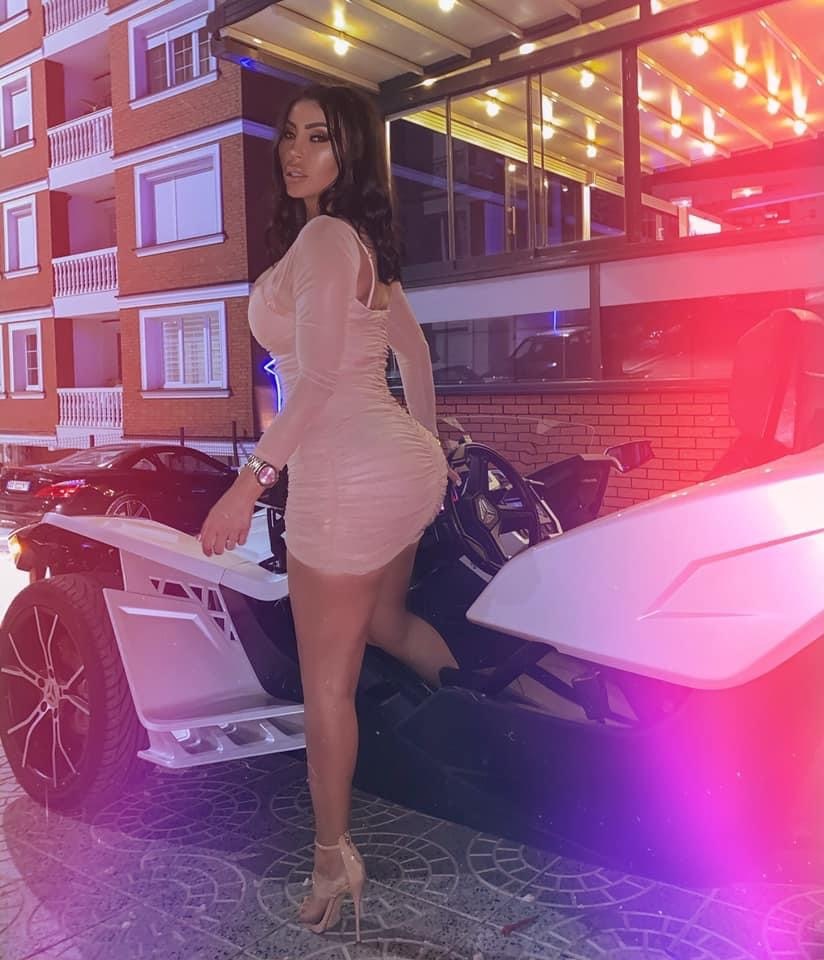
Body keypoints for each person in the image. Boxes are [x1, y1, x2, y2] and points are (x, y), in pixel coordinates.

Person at [198, 83, 459, 940]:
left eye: (318, 137)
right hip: (398, 467)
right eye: (289, 136)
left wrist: (248, 484)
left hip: (343, 478)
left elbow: (310, 387)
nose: (294, 151)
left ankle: (331, 856)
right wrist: (427, 451)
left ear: (349, 153)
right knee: (385, 623)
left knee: (326, 689)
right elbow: (413, 355)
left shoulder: (321, 238)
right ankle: (473, 725)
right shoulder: (360, 245)